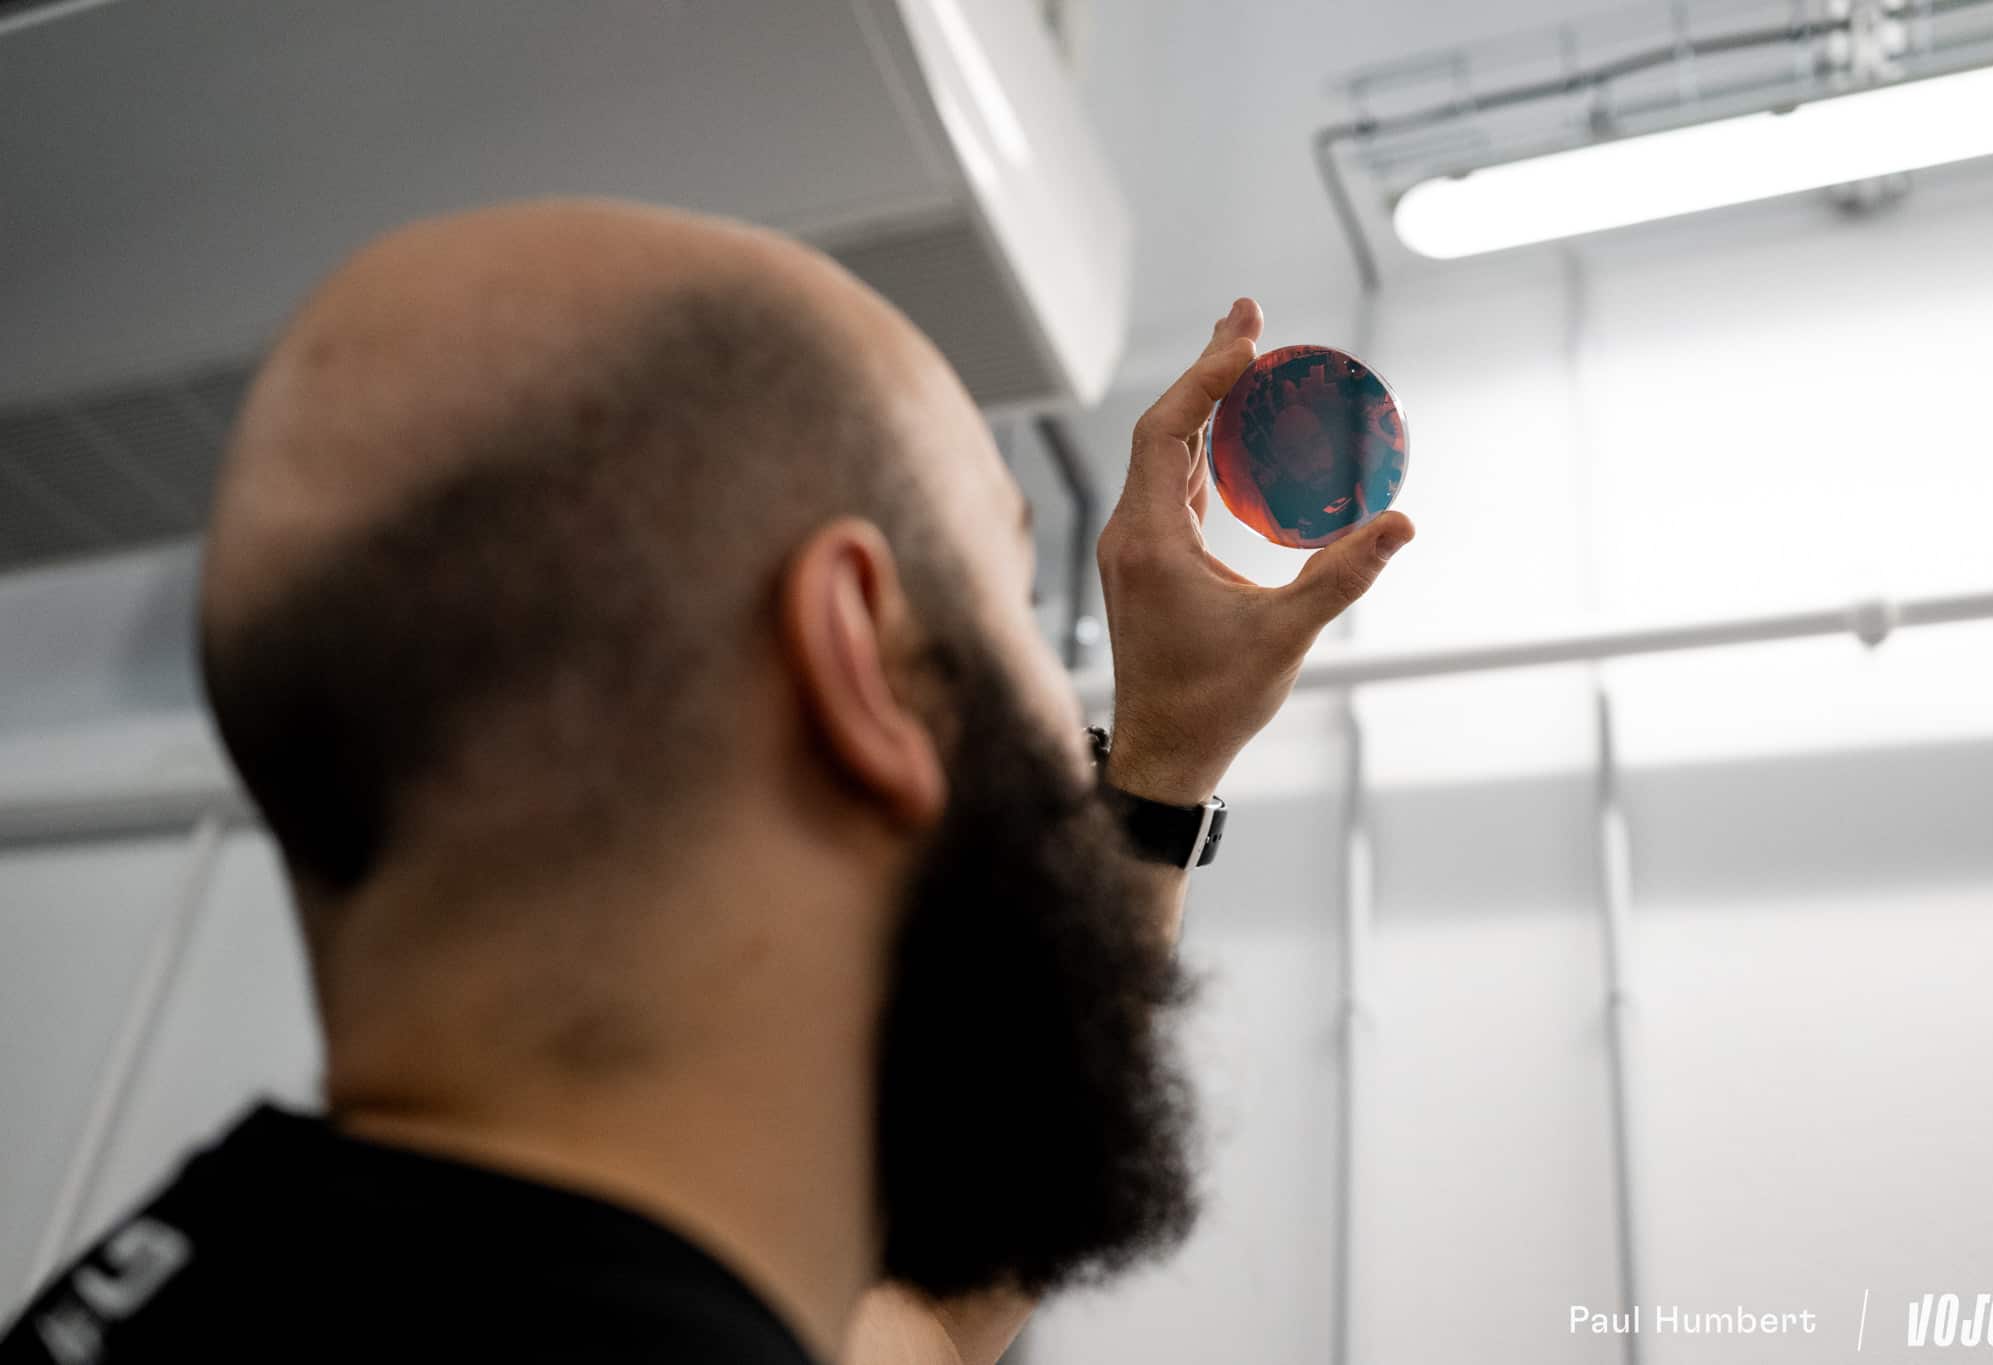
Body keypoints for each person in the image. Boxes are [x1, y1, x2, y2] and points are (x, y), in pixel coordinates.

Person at [0, 200, 1413, 1364]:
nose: (1062, 701)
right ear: (858, 657)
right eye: (1006, 582)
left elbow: (936, 1319)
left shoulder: (222, 1276)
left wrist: (1163, 759)